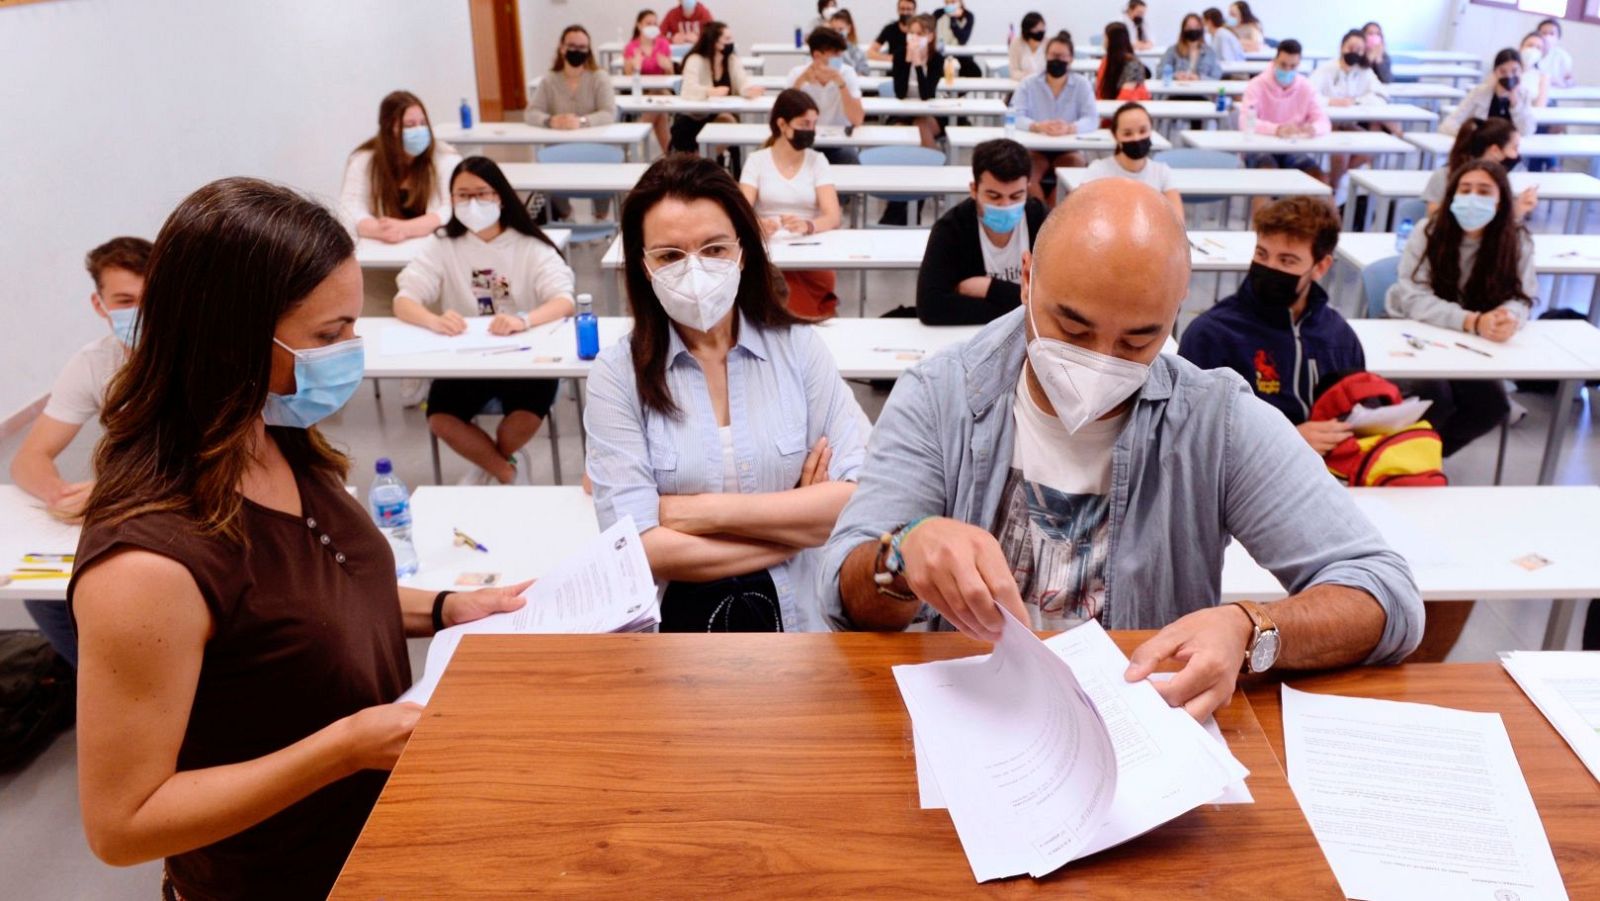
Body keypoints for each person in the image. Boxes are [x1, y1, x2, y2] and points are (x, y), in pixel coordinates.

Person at [68, 177, 531, 900]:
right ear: (233, 338)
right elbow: (123, 823)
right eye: (328, 334)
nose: (352, 349)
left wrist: (443, 608)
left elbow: (306, 596)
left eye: (352, 324)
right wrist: (343, 749)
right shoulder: (147, 562)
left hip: (375, 844)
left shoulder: (274, 436)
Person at [822, 178, 1422, 722]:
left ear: (1173, 318)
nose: (1100, 360)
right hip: (968, 715)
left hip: (1139, 727)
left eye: (1138, 340)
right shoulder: (942, 396)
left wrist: (1250, 627)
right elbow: (844, 597)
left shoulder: (1215, 420)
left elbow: (1384, 593)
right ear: (1027, 278)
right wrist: (901, 553)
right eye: (1073, 329)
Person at [585, 155, 870, 633]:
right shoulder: (618, 373)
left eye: (714, 249)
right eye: (670, 256)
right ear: (644, 266)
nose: (694, 271)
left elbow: (859, 503)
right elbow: (639, 549)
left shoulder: (798, 349)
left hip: (802, 620)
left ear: (742, 251)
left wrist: (695, 512)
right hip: (682, 628)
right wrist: (795, 527)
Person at [393, 157, 577, 485]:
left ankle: (490, 463)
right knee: (440, 418)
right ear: (451, 200)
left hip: (526, 358)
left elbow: (564, 300)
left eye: (482, 193)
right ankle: (505, 470)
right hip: (468, 360)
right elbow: (404, 300)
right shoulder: (442, 245)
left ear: (500, 196)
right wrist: (432, 320)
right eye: (463, 195)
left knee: (520, 421)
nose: (473, 202)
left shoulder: (529, 245)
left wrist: (524, 319)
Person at [10, 237, 150, 668]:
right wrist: (58, 495)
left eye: (152, 298)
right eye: (124, 301)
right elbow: (28, 459)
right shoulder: (96, 363)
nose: (141, 313)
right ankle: (110, 693)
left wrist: (115, 493)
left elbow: (219, 461)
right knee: (50, 599)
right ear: (99, 304)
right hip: (130, 512)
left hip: (195, 505)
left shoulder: (207, 355)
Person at [1178, 197, 1359, 455]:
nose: (1270, 268)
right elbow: (1190, 436)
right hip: (1246, 481)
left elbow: (1355, 414)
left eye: (1287, 261)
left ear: (1321, 267)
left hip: (1330, 475)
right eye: (1262, 254)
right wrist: (1287, 441)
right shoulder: (1212, 334)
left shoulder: (1339, 337)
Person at [1387, 160, 1536, 456]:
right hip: (1417, 328)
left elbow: (1522, 296)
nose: (1472, 198)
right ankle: (1406, 463)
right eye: (1464, 189)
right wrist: (1471, 320)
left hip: (1473, 339)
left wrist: (1508, 317)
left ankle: (1425, 462)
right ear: (1452, 195)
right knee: (1434, 397)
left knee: (1491, 406)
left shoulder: (1516, 239)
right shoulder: (1428, 231)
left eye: (1483, 191)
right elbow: (1413, 296)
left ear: (1501, 200)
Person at [915, 138, 1047, 325]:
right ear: (974, 190)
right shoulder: (951, 229)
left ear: (1028, 190)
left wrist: (990, 289)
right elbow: (931, 307)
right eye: (994, 196)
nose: (1005, 205)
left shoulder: (1043, 222)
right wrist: (1026, 304)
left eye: (1016, 196)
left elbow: (1059, 300)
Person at [740, 90, 844, 318]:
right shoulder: (757, 161)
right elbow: (741, 211)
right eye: (804, 123)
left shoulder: (818, 161)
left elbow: (832, 216)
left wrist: (808, 225)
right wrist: (758, 224)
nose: (810, 131)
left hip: (810, 248)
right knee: (770, 283)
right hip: (770, 249)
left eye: (814, 124)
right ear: (782, 124)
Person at [339, 91, 462, 244]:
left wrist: (406, 228)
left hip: (431, 247)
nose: (419, 130)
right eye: (410, 125)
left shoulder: (446, 159)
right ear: (388, 129)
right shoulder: (363, 161)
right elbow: (348, 209)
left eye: (423, 123)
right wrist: (379, 230)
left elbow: (452, 208)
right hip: (384, 248)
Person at [1007, 30, 1096, 204]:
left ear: (1071, 59)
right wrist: (1037, 126)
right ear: (1046, 56)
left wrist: (1070, 128)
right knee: (1025, 177)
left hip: (1068, 148)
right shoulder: (1029, 83)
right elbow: (1015, 115)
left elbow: (1092, 119)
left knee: (1073, 180)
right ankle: (1042, 218)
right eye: (1054, 55)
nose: (1057, 59)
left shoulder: (1082, 84)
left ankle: (1052, 219)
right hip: (1035, 148)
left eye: (1063, 56)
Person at [1241, 40, 1331, 193]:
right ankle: (1264, 217)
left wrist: (1313, 128)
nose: (1288, 70)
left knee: (1319, 180)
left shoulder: (1306, 87)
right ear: (1275, 61)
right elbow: (1245, 122)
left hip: (1293, 147)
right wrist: (1276, 129)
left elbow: (1324, 122)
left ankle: (1326, 216)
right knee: (1266, 178)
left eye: (1293, 66)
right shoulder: (1257, 85)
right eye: (1283, 65)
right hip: (1261, 147)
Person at [670, 22, 765, 154]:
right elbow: (688, 89)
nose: (731, 42)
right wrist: (710, 91)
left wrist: (748, 90)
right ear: (715, 42)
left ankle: (701, 160)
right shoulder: (695, 60)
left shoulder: (731, 60)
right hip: (695, 118)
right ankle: (701, 162)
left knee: (728, 120)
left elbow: (742, 81)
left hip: (721, 114)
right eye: (727, 39)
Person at [1310, 30, 1386, 191]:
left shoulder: (1364, 71)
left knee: (1374, 146)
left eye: (1359, 50)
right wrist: (1330, 101)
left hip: (1349, 123)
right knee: (1341, 150)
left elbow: (1380, 95)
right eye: (1350, 48)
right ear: (1342, 48)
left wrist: (1356, 101)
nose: (1354, 53)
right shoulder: (1326, 69)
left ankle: (1333, 179)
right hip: (1327, 124)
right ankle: (1335, 187)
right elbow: (1309, 95)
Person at [1079, 103, 1183, 217]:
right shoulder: (1098, 171)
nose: (1136, 138)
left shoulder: (1162, 172)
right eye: (1127, 134)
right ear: (1115, 136)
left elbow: (1178, 221)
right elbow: (1081, 213)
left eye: (1143, 131)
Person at [1423, 117, 1537, 219]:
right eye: (1514, 148)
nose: (1517, 155)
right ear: (1495, 151)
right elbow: (1434, 218)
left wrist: (1516, 212)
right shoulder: (1444, 176)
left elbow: (1500, 230)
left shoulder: (1500, 179)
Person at [787, 26, 867, 164]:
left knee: (849, 159)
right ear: (817, 56)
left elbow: (857, 120)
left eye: (840, 54)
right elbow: (784, 116)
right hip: (806, 142)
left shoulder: (847, 73)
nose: (840, 58)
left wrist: (842, 85)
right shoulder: (797, 74)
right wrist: (800, 83)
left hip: (840, 143)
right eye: (835, 54)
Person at [526, 26, 616, 131]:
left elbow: (609, 113)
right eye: (572, 46)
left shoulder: (599, 77)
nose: (577, 51)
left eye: (582, 47)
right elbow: (531, 113)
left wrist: (581, 121)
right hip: (559, 142)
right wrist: (550, 121)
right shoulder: (549, 80)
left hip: (593, 141)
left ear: (588, 51)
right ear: (562, 48)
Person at [1441, 49, 1536, 137]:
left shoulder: (1524, 95)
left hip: (1508, 149)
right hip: (1481, 147)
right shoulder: (1479, 93)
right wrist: (1472, 136)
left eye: (1515, 71)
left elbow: (1527, 131)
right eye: (1503, 71)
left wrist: (1515, 105)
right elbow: (1449, 124)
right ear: (1495, 72)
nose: (1509, 76)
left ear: (1521, 71)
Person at [624, 9, 676, 153]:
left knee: (658, 97)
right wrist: (635, 66)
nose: (652, 26)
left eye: (655, 23)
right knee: (659, 111)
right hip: (642, 93)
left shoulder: (663, 44)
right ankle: (669, 153)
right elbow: (628, 77)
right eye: (648, 23)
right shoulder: (631, 47)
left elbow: (670, 75)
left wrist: (668, 67)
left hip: (663, 92)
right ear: (639, 25)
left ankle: (635, 139)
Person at [1160, 14, 1222, 81]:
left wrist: (1199, 78)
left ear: (1201, 29)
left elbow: (1216, 76)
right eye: (1189, 27)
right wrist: (1175, 76)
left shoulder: (1209, 52)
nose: (1193, 29)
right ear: (1183, 30)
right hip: (1178, 89)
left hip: (1202, 89)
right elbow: (1159, 73)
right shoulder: (1172, 50)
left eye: (1196, 26)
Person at [1096, 22, 1147, 101]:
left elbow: (1126, 96)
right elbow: (1100, 89)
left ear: (1111, 41)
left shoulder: (1133, 65)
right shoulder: (1106, 60)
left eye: (1105, 38)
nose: (1103, 42)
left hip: (1129, 108)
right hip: (1107, 105)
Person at [935, 0, 981, 78]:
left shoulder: (968, 16)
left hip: (959, 52)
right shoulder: (938, 13)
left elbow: (963, 39)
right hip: (941, 52)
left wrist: (953, 19)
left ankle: (962, 89)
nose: (949, 5)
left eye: (952, 2)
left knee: (975, 72)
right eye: (947, 3)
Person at [829, 9, 873, 76]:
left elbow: (865, 71)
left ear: (849, 29)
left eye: (841, 29)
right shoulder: (824, 50)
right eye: (833, 30)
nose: (837, 33)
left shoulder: (855, 50)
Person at [1536, 19, 1576, 88]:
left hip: (1553, 93)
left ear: (1558, 37)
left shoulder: (1563, 56)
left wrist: (1568, 82)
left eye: (1552, 34)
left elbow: (1568, 79)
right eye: (1544, 33)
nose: (1547, 36)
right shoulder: (1530, 51)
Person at [1008, 11, 1048, 81]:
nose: (1040, 31)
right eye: (1036, 29)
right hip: (1023, 84)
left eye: (1042, 28)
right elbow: (1013, 72)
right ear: (1027, 30)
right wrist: (1028, 76)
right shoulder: (1016, 44)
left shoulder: (1048, 43)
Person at [1518, 32, 1552, 110]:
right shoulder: (1506, 70)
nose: (1533, 50)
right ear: (1520, 48)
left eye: (1538, 48)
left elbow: (1540, 107)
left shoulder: (1543, 77)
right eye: (1530, 45)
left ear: (1543, 53)